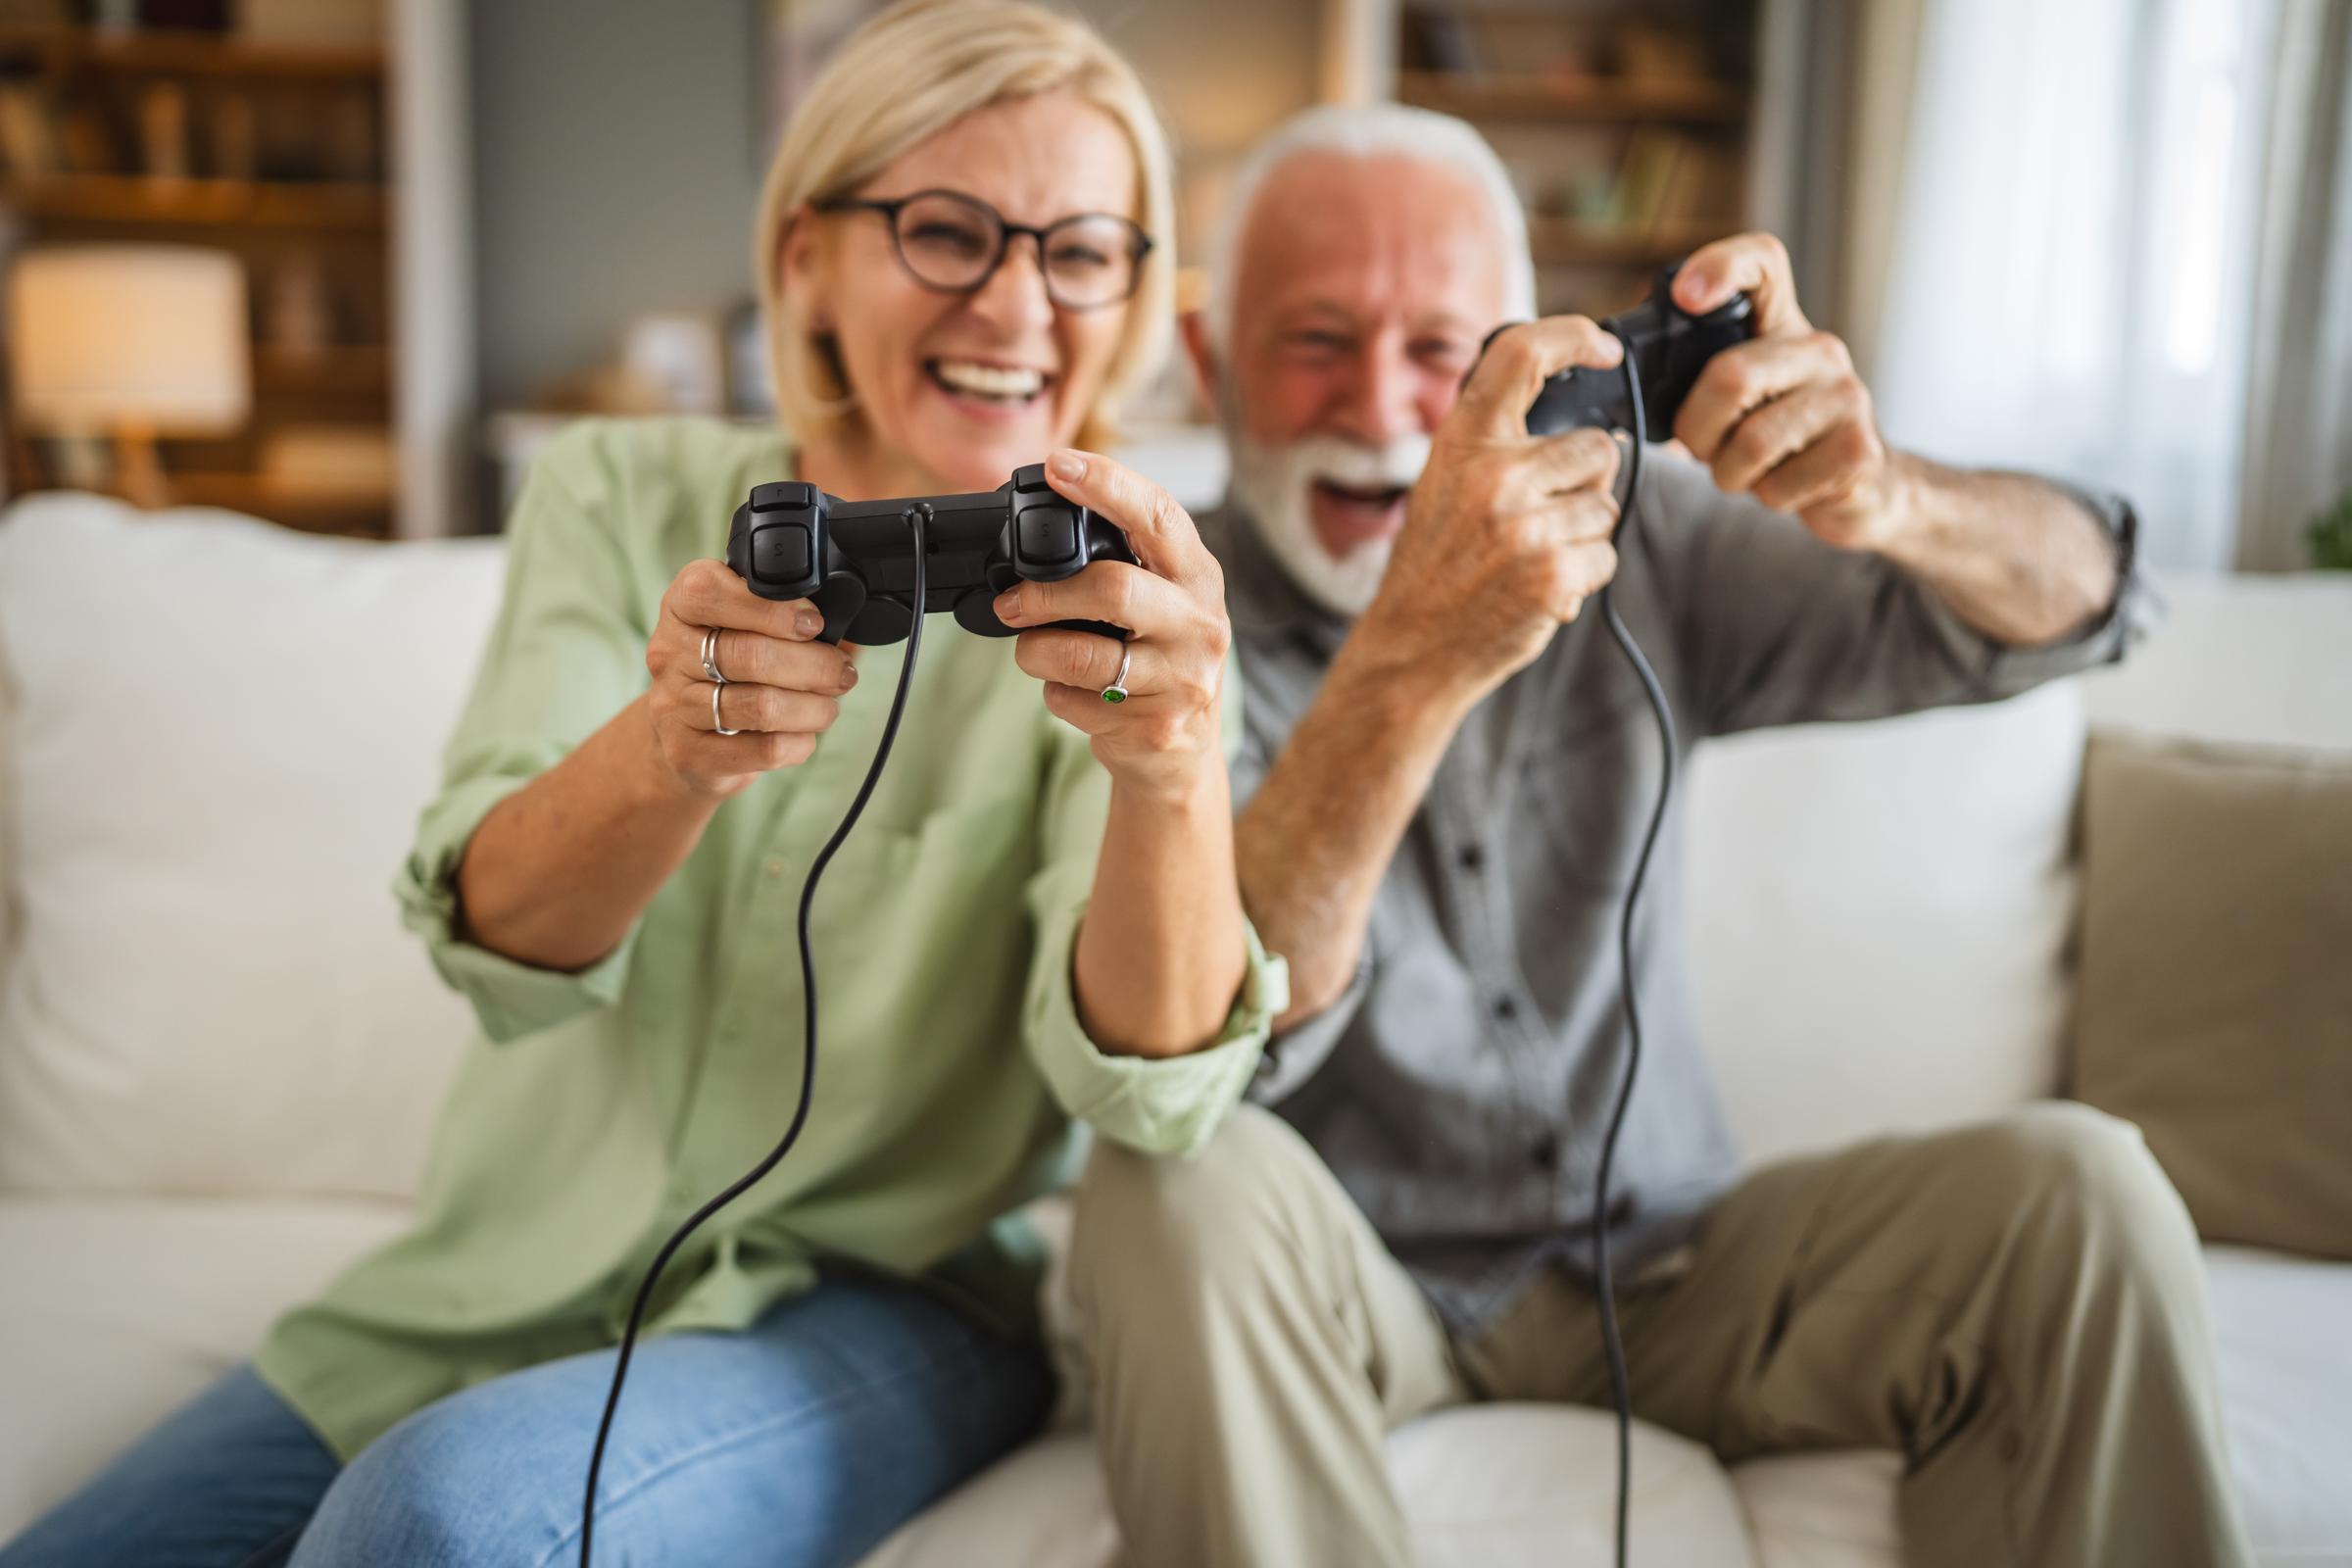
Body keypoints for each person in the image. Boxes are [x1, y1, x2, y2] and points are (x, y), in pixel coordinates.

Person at [0, 4, 1281, 1565]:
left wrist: (1170, 768)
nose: (1019, 299)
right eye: (948, 231)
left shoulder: (1139, 592)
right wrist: (668, 754)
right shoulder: (614, 494)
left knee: (439, 1525)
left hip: (878, 1310)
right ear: (806, 253)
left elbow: (1140, 1080)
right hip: (478, 1290)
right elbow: (497, 943)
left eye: (1085, 250)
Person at [1062, 104, 2254, 1568]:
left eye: (1438, 345)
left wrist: (1889, 499)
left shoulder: (1649, 542)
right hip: (1349, 1290)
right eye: (1315, 338)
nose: (1378, 403)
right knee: (1167, 1186)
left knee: (2085, 1192)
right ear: (1210, 362)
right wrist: (1416, 656)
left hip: (1682, 1265)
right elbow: (1213, 1037)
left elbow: (2093, 601)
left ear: (1517, 361)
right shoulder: (1150, 622)